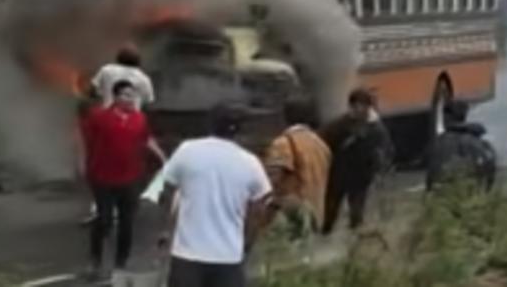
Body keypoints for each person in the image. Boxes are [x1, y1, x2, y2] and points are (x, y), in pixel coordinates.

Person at [159, 103, 272, 287]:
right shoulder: (250, 163)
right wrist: (247, 241)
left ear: (209, 124)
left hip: (187, 255)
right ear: (240, 131)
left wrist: (167, 228)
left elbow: (167, 190)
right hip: (228, 258)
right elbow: (260, 206)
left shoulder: (187, 151)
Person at [79, 80, 166, 278]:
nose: (130, 99)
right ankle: (95, 260)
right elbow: (84, 140)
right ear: (116, 97)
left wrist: (161, 156)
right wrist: (83, 163)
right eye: (126, 95)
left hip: (130, 178)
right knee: (105, 219)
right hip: (102, 177)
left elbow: (146, 139)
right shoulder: (99, 117)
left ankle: (121, 264)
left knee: (127, 223)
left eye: (133, 96)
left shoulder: (139, 119)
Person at [319, 88, 394, 234]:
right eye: (355, 106)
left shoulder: (376, 129)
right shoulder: (340, 124)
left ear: (368, 107)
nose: (358, 110)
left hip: (361, 177)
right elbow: (322, 142)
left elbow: (386, 149)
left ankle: (355, 244)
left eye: (362, 106)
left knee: (357, 214)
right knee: (329, 213)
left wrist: (380, 166)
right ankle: (325, 235)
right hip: (338, 175)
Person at [263, 97, 332, 238]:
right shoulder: (321, 145)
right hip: (315, 216)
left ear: (285, 116)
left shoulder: (283, 144)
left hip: (291, 219)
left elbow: (272, 180)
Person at [426, 100, 496, 192]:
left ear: (446, 117)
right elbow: (489, 170)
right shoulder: (479, 142)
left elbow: (430, 174)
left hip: (445, 196)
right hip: (471, 194)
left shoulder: (439, 142)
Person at [90, 47, 155, 111]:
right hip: (131, 118)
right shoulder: (144, 78)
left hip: (108, 115)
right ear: (138, 61)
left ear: (119, 58)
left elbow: (92, 90)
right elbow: (148, 101)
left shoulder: (106, 70)